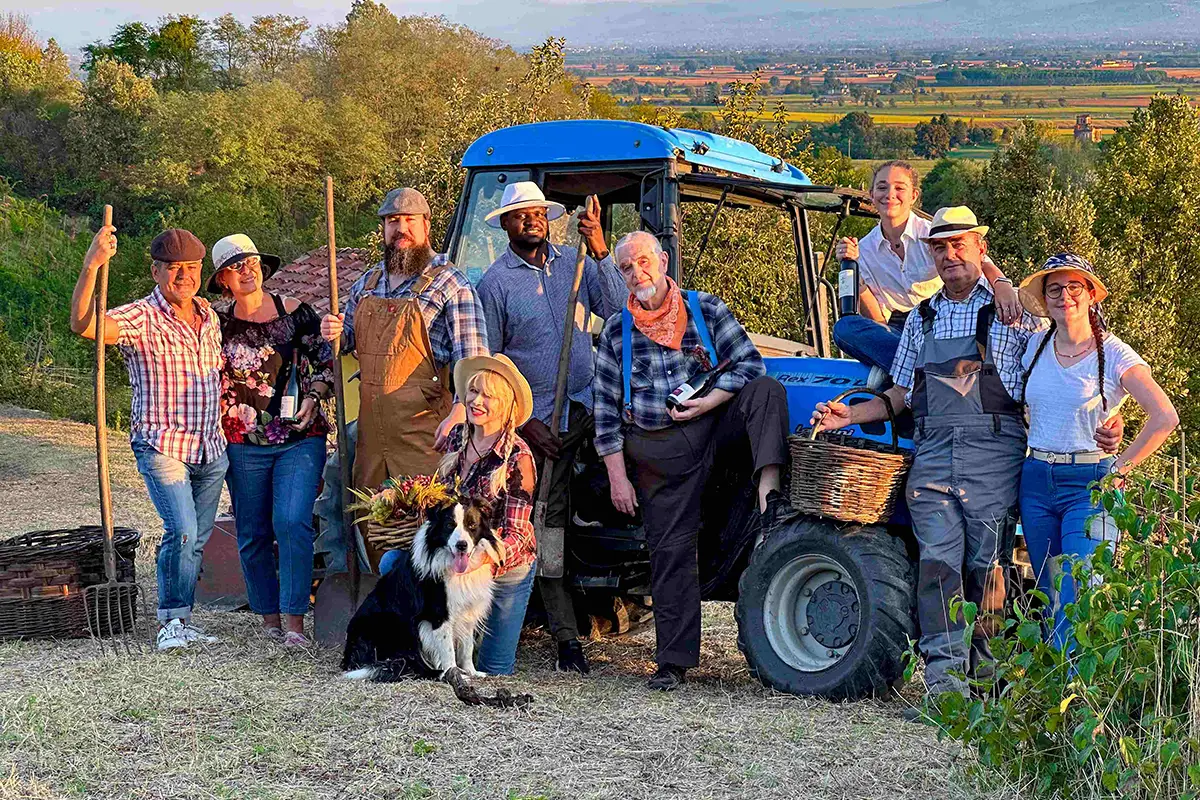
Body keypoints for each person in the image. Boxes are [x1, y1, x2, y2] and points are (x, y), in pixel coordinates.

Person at [811, 207, 1123, 712]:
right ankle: (945, 687)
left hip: (994, 458)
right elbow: (901, 395)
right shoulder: (920, 318)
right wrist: (847, 416)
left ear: (980, 247)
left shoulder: (1015, 315)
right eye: (940, 247)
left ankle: (988, 679)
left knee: (988, 570)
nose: (950, 255)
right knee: (937, 568)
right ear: (930, 254)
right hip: (933, 458)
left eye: (960, 245)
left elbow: (1072, 364)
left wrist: (1111, 418)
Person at [593, 231, 792, 691]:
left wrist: (708, 402)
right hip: (656, 446)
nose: (636, 273)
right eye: (626, 267)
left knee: (767, 393)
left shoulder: (705, 309)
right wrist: (618, 478)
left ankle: (771, 501)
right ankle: (673, 662)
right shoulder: (615, 331)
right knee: (670, 549)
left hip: (712, 421)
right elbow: (605, 412)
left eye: (643, 261)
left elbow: (750, 364)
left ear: (663, 261)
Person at [475, 181, 626, 675]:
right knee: (546, 524)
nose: (531, 219)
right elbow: (491, 367)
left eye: (537, 212)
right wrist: (527, 422)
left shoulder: (575, 261)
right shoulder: (494, 284)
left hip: (589, 408)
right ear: (504, 225)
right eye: (519, 214)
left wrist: (601, 247)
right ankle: (566, 640)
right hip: (538, 425)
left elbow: (621, 310)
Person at [69, 226, 226, 651]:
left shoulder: (209, 316)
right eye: (174, 269)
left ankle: (185, 618)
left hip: (211, 447)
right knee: (182, 532)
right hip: (162, 443)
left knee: (198, 539)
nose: (184, 276)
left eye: (191, 268)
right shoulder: (140, 316)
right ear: (156, 272)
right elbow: (84, 325)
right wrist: (92, 264)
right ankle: (170, 621)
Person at [320, 187, 488, 570]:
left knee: (429, 531)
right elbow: (348, 343)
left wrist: (461, 412)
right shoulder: (365, 284)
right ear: (383, 228)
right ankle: (382, 613)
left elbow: (474, 365)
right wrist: (334, 330)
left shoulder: (451, 285)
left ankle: (428, 619)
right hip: (371, 436)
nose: (401, 229)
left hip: (426, 434)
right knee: (372, 525)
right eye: (393, 222)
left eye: (409, 220)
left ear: (426, 225)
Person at [1016, 254, 1177, 651]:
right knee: (1048, 593)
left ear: (1090, 295)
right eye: (1055, 288)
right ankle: (1051, 700)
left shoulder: (1116, 353)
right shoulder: (1035, 346)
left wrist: (1121, 468)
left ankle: (1080, 704)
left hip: (1090, 483)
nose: (1064, 295)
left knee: (1080, 593)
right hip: (1035, 479)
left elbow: (1164, 416)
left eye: (1074, 287)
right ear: (1046, 298)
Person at [210, 234, 335, 648]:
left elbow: (326, 360)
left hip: (299, 436)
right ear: (222, 280)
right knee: (253, 532)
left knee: (292, 522)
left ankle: (295, 623)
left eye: (252, 262)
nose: (247, 270)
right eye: (236, 266)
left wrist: (315, 397)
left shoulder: (297, 313)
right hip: (242, 440)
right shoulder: (216, 324)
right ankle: (268, 620)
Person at [378, 353, 538, 675]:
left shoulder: (518, 456)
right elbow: (442, 502)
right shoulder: (458, 436)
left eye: (488, 396)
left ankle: (464, 644)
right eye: (473, 392)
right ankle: (409, 645)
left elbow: (518, 535)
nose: (477, 401)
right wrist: (405, 497)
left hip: (501, 567)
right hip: (457, 558)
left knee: (494, 670)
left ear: (506, 404)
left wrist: (479, 561)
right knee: (393, 563)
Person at [832, 161, 1021, 379]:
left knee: (888, 376)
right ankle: (928, 371)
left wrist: (1002, 284)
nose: (890, 194)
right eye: (882, 188)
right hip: (898, 330)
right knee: (845, 328)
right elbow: (879, 321)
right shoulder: (863, 249)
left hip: (940, 322)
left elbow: (980, 261)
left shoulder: (932, 234)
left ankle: (915, 373)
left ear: (913, 196)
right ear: (872, 195)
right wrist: (856, 278)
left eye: (899, 188)